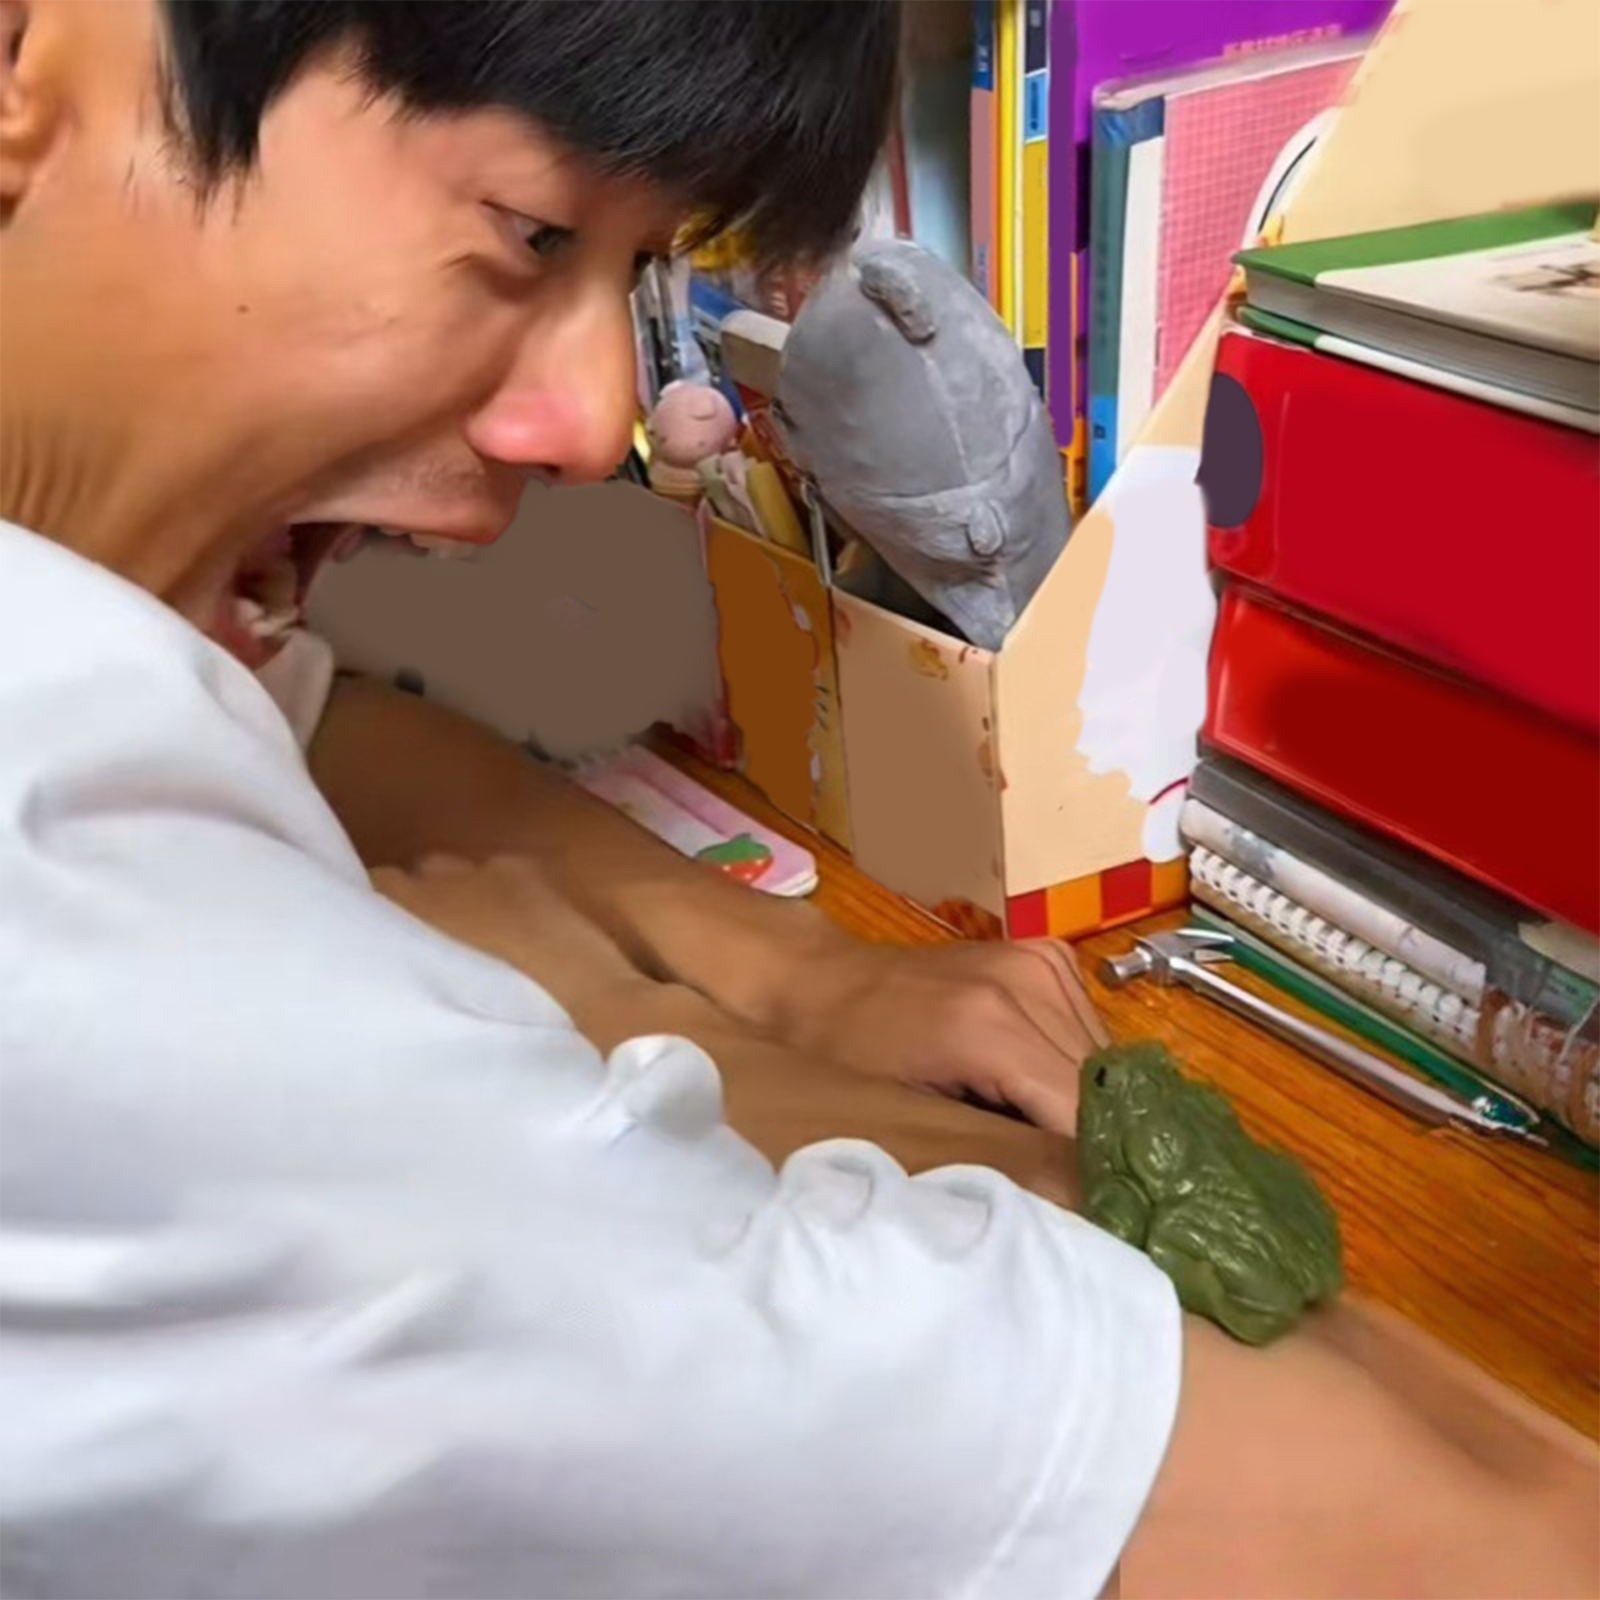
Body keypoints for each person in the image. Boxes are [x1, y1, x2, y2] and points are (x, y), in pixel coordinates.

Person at [0, 2, 1593, 1597]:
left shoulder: (97, 612)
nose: (591, 421)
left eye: (632, 269)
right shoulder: (98, 935)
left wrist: (785, 968)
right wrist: (640, 1022)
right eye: (531, 230)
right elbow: (1421, 1530)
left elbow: (321, 718)